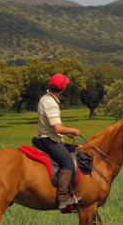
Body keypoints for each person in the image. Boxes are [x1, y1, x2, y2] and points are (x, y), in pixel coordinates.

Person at [38, 73, 82, 210]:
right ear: (64, 88)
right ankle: (63, 198)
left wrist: (65, 131)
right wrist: (73, 130)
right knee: (67, 163)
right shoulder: (51, 103)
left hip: (49, 136)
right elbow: (57, 128)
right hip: (50, 140)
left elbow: (54, 126)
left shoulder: (45, 98)